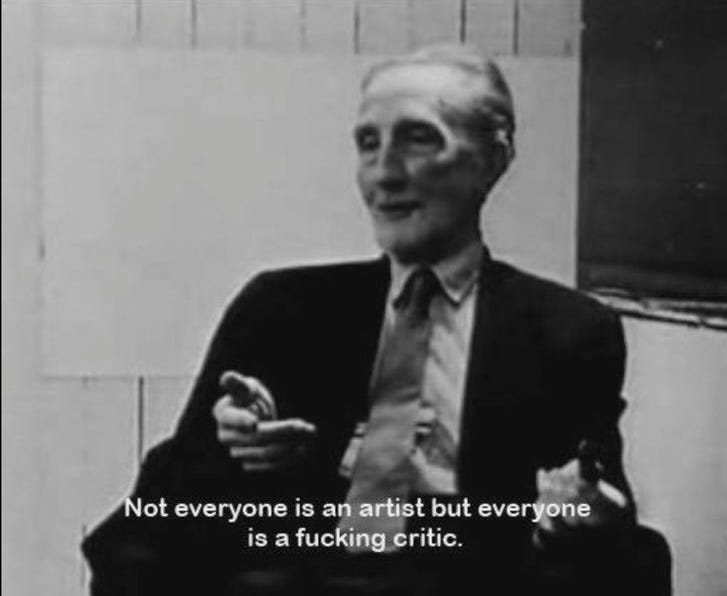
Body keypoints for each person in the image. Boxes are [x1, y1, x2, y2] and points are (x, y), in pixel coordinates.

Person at [83, 45, 641, 596]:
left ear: (492, 160)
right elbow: (165, 504)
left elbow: (594, 502)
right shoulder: (280, 308)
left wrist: (584, 512)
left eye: (418, 138)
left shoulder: (567, 330)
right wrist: (232, 453)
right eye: (368, 144)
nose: (384, 173)